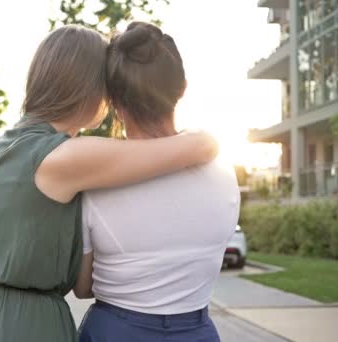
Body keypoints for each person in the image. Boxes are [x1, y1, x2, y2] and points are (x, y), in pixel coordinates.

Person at [0, 24, 219, 342]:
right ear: (91, 87)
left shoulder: (10, 144)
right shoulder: (63, 157)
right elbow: (201, 146)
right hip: (22, 327)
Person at [75, 22, 240, 342]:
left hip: (116, 332)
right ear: (183, 88)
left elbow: (83, 287)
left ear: (115, 104)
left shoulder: (96, 182)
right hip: (197, 332)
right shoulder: (223, 172)